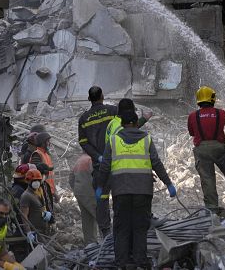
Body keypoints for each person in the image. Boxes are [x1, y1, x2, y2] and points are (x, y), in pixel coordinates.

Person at [97, 110, 175, 269]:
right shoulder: (146, 139)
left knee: (121, 228)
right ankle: (140, 262)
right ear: (134, 122)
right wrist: (168, 183)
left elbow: (104, 167)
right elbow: (156, 163)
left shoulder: (113, 141)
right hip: (143, 191)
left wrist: (100, 187)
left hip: (121, 191)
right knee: (140, 227)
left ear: (123, 123)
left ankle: (121, 263)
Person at [78, 86, 118, 238]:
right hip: (116, 163)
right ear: (102, 96)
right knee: (119, 194)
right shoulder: (113, 111)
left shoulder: (83, 119)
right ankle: (120, 227)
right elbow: (126, 128)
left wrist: (97, 156)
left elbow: (83, 142)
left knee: (102, 198)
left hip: (99, 167)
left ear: (89, 99)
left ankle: (106, 232)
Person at [69, 154, 99, 245]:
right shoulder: (90, 160)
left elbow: (71, 178)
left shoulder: (79, 160)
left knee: (87, 218)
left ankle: (90, 242)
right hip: (89, 192)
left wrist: (75, 190)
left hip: (79, 193)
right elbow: (98, 177)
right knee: (99, 216)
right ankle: (106, 240)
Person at [19, 169, 53, 241]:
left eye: (38, 180)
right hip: (35, 232)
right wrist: (28, 232)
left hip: (43, 231)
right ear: (28, 181)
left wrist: (46, 213)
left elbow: (40, 207)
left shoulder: (38, 192)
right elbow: (24, 215)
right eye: (34, 180)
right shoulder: (26, 196)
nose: (36, 182)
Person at [28, 132, 57, 212]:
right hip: (42, 189)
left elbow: (49, 175)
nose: (49, 143)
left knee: (49, 212)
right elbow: (35, 173)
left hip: (48, 190)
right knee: (46, 213)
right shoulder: (37, 154)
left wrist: (54, 192)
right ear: (42, 142)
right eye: (47, 141)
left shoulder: (46, 154)